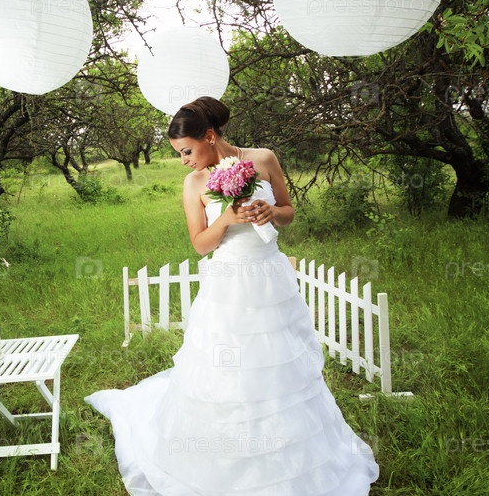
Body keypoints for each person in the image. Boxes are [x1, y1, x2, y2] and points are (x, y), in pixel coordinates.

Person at [85, 96, 379, 495]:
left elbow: (289, 210)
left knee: (278, 362)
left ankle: (288, 452)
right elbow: (200, 245)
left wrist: (270, 213)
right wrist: (225, 218)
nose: (184, 161)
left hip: (271, 279)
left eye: (187, 151)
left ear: (209, 136)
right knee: (229, 368)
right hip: (228, 286)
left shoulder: (264, 158)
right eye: (179, 154)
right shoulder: (194, 184)